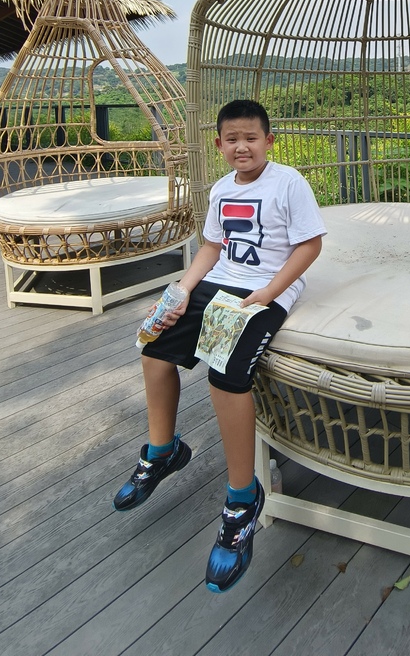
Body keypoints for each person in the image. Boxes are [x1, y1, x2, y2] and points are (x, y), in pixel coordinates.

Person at [113, 99, 326, 593]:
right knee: (154, 344)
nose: (242, 146)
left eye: (251, 137)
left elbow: (310, 244)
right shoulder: (221, 188)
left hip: (264, 292)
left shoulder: (288, 182)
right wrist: (183, 289)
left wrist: (269, 293)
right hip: (218, 284)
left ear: (269, 142)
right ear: (219, 145)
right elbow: (213, 245)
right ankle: (163, 450)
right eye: (232, 139)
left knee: (224, 375)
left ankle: (241, 497)